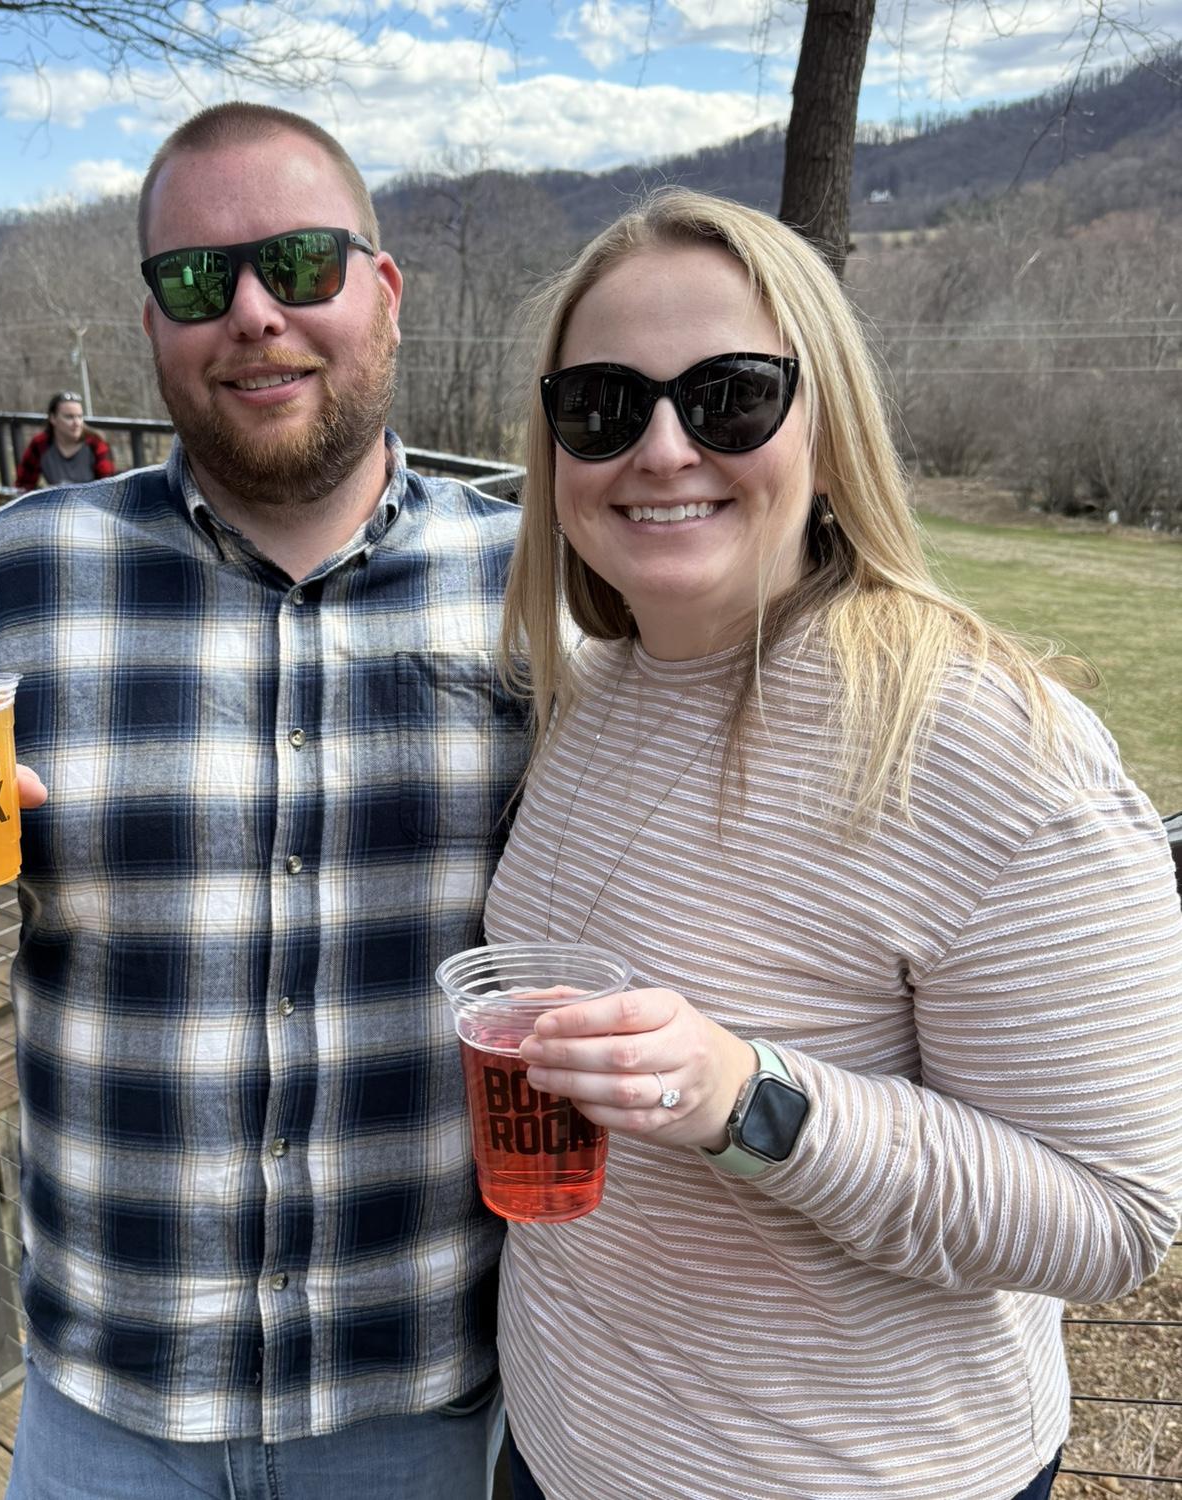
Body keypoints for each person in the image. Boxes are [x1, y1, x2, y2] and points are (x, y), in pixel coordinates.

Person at [0, 104, 526, 1499]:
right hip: (109, 1400)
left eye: (301, 263)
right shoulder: (25, 572)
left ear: (383, 290)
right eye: (199, 280)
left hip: (424, 1390)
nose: (253, 313)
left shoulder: (524, 587)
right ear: (153, 327)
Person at [485, 188, 1182, 1500]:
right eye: (603, 406)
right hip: (559, 1458)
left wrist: (746, 1096)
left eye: (731, 396)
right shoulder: (589, 696)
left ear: (830, 420)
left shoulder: (991, 750)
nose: (664, 448)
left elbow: (1115, 1221)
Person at [14, 391, 116, 490]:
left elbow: (108, 490)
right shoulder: (40, 444)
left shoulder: (97, 444)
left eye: (80, 416)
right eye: (69, 417)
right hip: (56, 504)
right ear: (53, 418)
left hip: (91, 504)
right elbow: (23, 486)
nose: (77, 423)